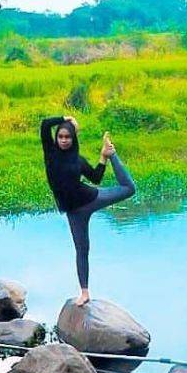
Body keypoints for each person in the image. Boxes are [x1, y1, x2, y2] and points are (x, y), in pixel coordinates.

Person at [40, 113, 137, 306]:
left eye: (68, 137)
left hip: (91, 199)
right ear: (56, 138)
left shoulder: (78, 160)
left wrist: (104, 157)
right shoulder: (50, 154)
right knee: (82, 249)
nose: (64, 140)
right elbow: (44, 125)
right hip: (74, 213)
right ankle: (84, 293)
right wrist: (66, 118)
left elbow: (96, 178)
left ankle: (113, 154)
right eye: (61, 137)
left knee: (129, 189)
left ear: (73, 138)